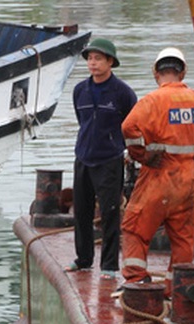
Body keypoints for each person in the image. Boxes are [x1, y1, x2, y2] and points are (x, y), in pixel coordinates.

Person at [120, 47, 194, 287]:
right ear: (182, 73)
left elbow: (128, 128)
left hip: (158, 176)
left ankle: (137, 283)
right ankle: (178, 291)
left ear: (156, 72)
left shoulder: (152, 101)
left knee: (135, 229)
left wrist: (142, 155)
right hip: (188, 178)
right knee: (183, 239)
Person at [68, 38, 137, 280]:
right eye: (90, 58)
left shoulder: (123, 93)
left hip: (109, 160)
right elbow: (82, 120)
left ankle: (109, 266)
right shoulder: (80, 91)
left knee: (109, 213)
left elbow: (131, 124)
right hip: (83, 158)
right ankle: (83, 259)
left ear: (110, 62)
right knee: (82, 212)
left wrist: (121, 149)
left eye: (98, 58)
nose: (93, 63)